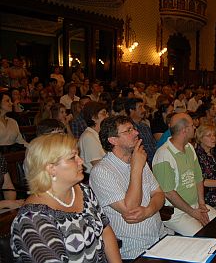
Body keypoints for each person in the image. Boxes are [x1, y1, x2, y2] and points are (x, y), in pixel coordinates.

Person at [10, 133, 121, 262]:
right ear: (51, 168)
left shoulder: (83, 190)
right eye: (73, 157)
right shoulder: (33, 220)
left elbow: (105, 231)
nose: (81, 161)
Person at [90, 115, 167, 260]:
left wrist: (149, 211)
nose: (136, 133)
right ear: (113, 140)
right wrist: (136, 168)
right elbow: (130, 208)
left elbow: (159, 194)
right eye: (128, 130)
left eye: (134, 128)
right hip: (134, 250)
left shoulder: (137, 158)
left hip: (160, 237)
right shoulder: (102, 171)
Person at [152, 113, 216, 236]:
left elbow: (198, 178)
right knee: (204, 236)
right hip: (176, 213)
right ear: (184, 130)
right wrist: (193, 213)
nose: (195, 128)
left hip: (195, 205)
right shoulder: (163, 155)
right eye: (192, 125)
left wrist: (202, 204)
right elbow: (169, 193)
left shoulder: (189, 147)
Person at [79, 101, 108, 174]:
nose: (107, 116)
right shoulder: (88, 136)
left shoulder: (99, 134)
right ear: (93, 117)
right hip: (96, 178)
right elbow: (98, 166)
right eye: (103, 113)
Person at [126, 98, 157, 166]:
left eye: (143, 107)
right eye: (140, 107)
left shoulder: (145, 126)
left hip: (154, 161)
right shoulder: (127, 129)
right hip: (140, 163)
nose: (144, 110)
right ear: (131, 110)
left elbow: (154, 144)